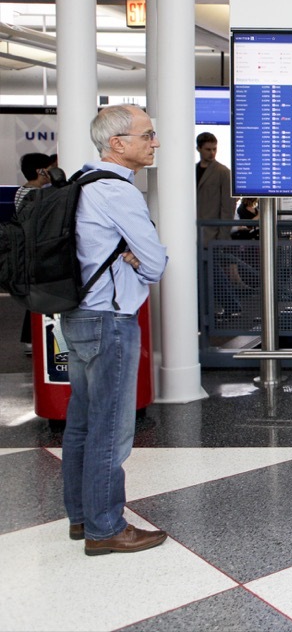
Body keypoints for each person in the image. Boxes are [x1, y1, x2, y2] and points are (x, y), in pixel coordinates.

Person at [62, 105, 169, 555]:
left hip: (78, 315)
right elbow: (157, 262)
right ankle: (105, 529)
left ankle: (82, 516)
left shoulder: (80, 183)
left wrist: (134, 258)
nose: (155, 142)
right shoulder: (118, 192)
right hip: (110, 320)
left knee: (82, 424)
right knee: (110, 428)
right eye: (147, 135)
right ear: (118, 143)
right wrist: (140, 265)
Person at [15, 152, 54, 355]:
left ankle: (30, 339)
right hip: (34, 252)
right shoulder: (35, 195)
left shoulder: (23, 191)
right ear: (41, 171)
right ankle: (32, 339)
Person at [195, 132, 235, 243]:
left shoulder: (223, 172)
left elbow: (228, 207)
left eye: (214, 149)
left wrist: (222, 237)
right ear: (199, 148)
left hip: (213, 235)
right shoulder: (192, 171)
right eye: (208, 149)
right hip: (193, 233)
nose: (212, 153)